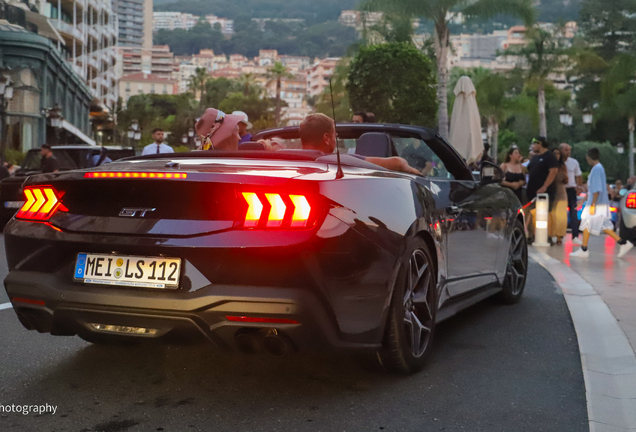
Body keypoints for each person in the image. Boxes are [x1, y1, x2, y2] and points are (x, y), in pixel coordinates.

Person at [300, 113, 420, 175]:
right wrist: (414, 172)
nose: (335, 138)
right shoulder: (343, 161)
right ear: (326, 138)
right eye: (334, 135)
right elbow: (397, 163)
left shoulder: (285, 159)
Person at [570, 148, 622, 258]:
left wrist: (592, 205)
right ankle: (622, 242)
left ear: (588, 157)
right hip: (598, 203)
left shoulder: (596, 170)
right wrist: (584, 200)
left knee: (590, 224)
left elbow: (596, 190)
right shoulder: (599, 168)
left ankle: (584, 249)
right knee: (594, 224)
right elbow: (594, 189)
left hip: (596, 204)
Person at [559, 143, 583, 244]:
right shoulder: (557, 163)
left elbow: (579, 175)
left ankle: (575, 235)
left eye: (569, 150)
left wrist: (578, 186)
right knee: (560, 213)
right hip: (560, 189)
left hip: (571, 189)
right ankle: (559, 235)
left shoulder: (574, 162)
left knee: (573, 212)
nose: (568, 152)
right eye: (566, 150)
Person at [548, 147, 569, 245]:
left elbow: (565, 179)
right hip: (551, 191)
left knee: (561, 215)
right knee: (551, 215)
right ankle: (550, 234)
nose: (556, 155)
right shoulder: (548, 165)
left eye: (558, 153)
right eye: (554, 153)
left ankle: (559, 236)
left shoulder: (562, 166)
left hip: (560, 191)